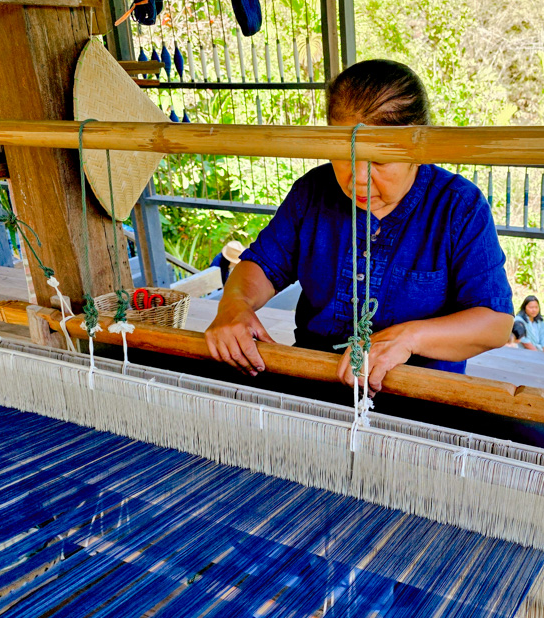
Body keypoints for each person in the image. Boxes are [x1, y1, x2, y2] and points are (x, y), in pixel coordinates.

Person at [204, 59, 514, 393]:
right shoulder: (313, 192)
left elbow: (495, 323)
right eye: (345, 154)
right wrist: (234, 305)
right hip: (315, 381)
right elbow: (263, 266)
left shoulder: (458, 207)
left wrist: (407, 338)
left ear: (419, 150)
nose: (360, 179)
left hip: (420, 395)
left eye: (380, 159)